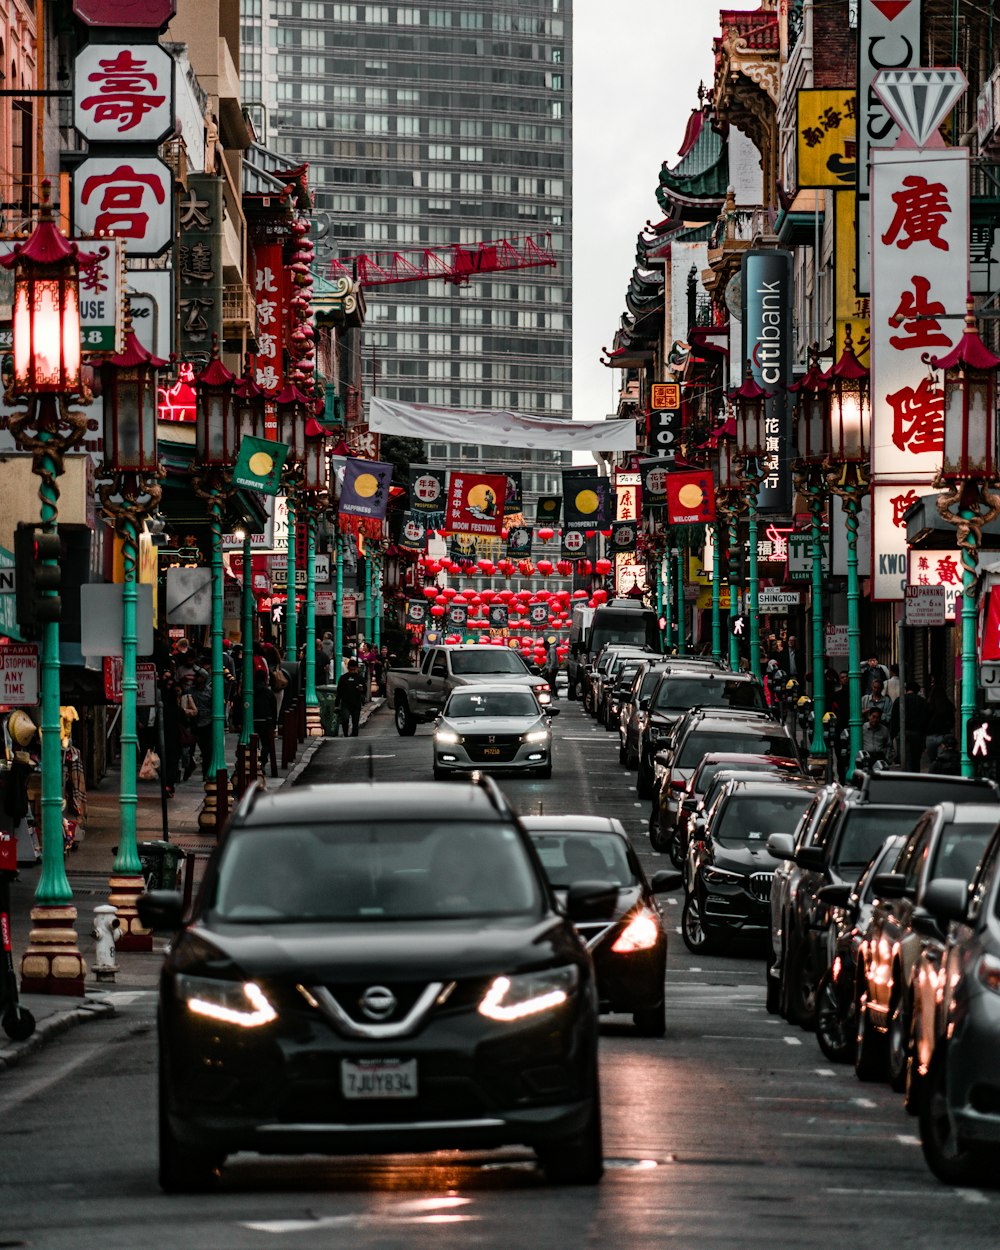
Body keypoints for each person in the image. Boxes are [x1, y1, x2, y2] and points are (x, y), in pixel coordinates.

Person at [890, 680, 929, 772]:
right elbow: (925, 720)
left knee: (905, 759)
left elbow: (894, 719)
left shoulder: (899, 701)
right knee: (916, 760)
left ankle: (906, 777)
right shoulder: (922, 702)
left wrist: (892, 735)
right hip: (917, 735)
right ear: (917, 690)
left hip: (903, 734)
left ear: (906, 689)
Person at [924, 676, 956, 765]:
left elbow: (924, 721)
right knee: (942, 761)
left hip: (930, 737)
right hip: (944, 736)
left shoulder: (929, 705)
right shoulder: (948, 706)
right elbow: (952, 722)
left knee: (932, 762)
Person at [336, 658, 367, 736]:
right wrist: (337, 703)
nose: (352, 671)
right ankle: (346, 733)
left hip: (356, 703)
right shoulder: (343, 678)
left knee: (355, 722)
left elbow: (365, 689)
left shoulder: (359, 678)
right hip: (346, 703)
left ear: (356, 668)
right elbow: (339, 691)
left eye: (354, 669)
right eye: (351, 669)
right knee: (345, 719)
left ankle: (354, 734)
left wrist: (361, 689)